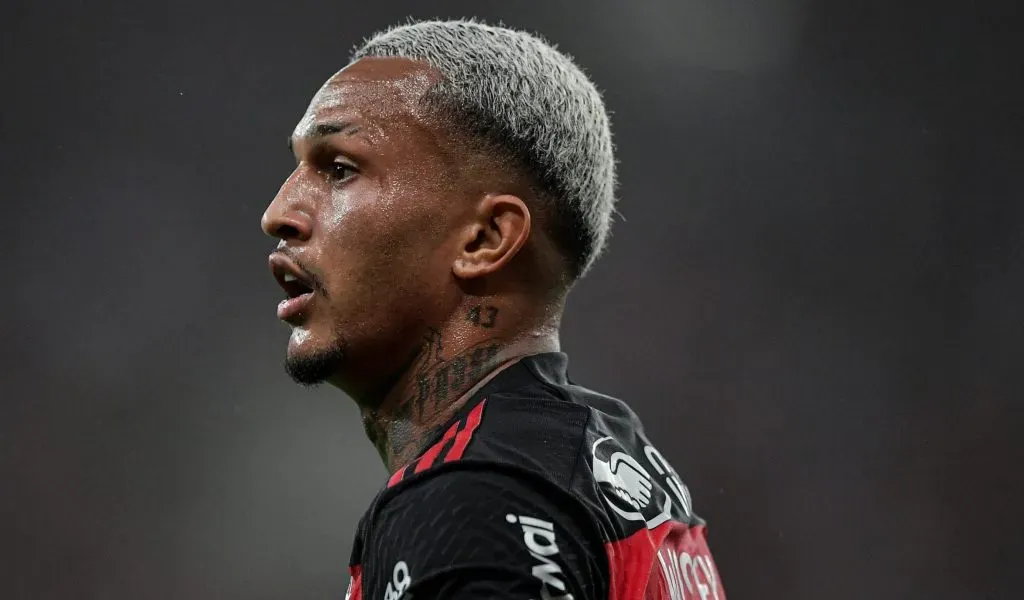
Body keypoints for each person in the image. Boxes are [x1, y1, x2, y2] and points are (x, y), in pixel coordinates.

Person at [261, 19, 726, 600]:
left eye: (339, 169)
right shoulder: (603, 458)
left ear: (484, 238)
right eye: (298, 165)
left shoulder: (476, 496)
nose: (278, 212)